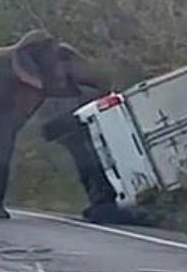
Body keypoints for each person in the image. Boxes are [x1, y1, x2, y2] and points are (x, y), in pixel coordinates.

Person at [39, 86, 158, 225]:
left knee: (98, 209)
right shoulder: (83, 127)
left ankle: (142, 215)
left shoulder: (79, 136)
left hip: (113, 182)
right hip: (117, 172)